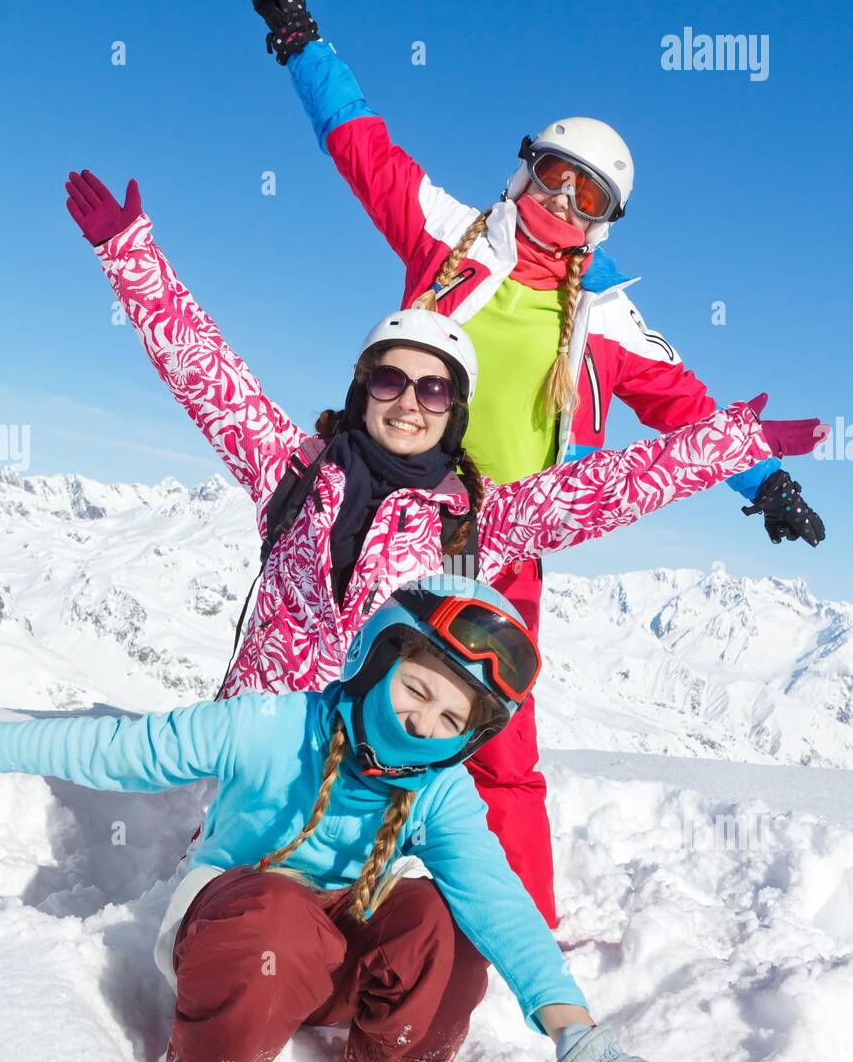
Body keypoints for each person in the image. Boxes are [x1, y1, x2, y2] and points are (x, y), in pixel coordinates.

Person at [66, 167, 826, 921]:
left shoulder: (472, 524)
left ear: (455, 412)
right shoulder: (290, 468)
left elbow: (605, 486)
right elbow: (206, 372)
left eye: (433, 390)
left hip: (368, 815)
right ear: (363, 388)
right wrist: (130, 255)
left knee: (393, 960)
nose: (408, 403)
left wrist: (736, 446)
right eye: (390, 381)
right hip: (254, 788)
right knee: (236, 948)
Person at [249, 0, 828, 920]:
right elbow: (359, 145)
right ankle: (271, 885)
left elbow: (686, 407)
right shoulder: (450, 237)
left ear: (604, 223)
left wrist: (762, 480)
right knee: (333, 706)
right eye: (555, 178)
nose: (561, 205)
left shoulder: (605, 321)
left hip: (503, 550)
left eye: (587, 197)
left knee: (501, 748)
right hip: (389, 518)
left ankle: (522, 931)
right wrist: (304, 44)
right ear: (524, 169)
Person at [0, 574, 713, 1062]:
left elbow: (499, 904)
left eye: (452, 716)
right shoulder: (272, 725)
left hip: (329, 958)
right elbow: (123, 749)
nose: (426, 722)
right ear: (373, 661)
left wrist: (581, 1039)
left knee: (444, 925)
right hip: (236, 944)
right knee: (276, 916)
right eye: (417, 690)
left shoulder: (439, 789)